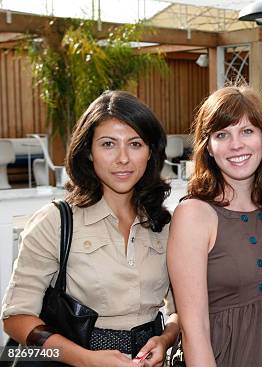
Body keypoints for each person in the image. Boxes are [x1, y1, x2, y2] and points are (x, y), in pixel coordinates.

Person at [1, 90, 179, 366]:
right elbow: (15, 318)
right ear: (88, 153)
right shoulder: (56, 222)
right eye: (108, 144)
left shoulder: (164, 225)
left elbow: (181, 310)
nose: (123, 158)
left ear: (150, 153)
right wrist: (86, 359)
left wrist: (166, 339)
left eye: (135, 144)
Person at [167, 86, 262, 367]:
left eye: (247, 131)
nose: (236, 144)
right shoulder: (194, 215)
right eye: (222, 135)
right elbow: (194, 329)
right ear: (209, 148)